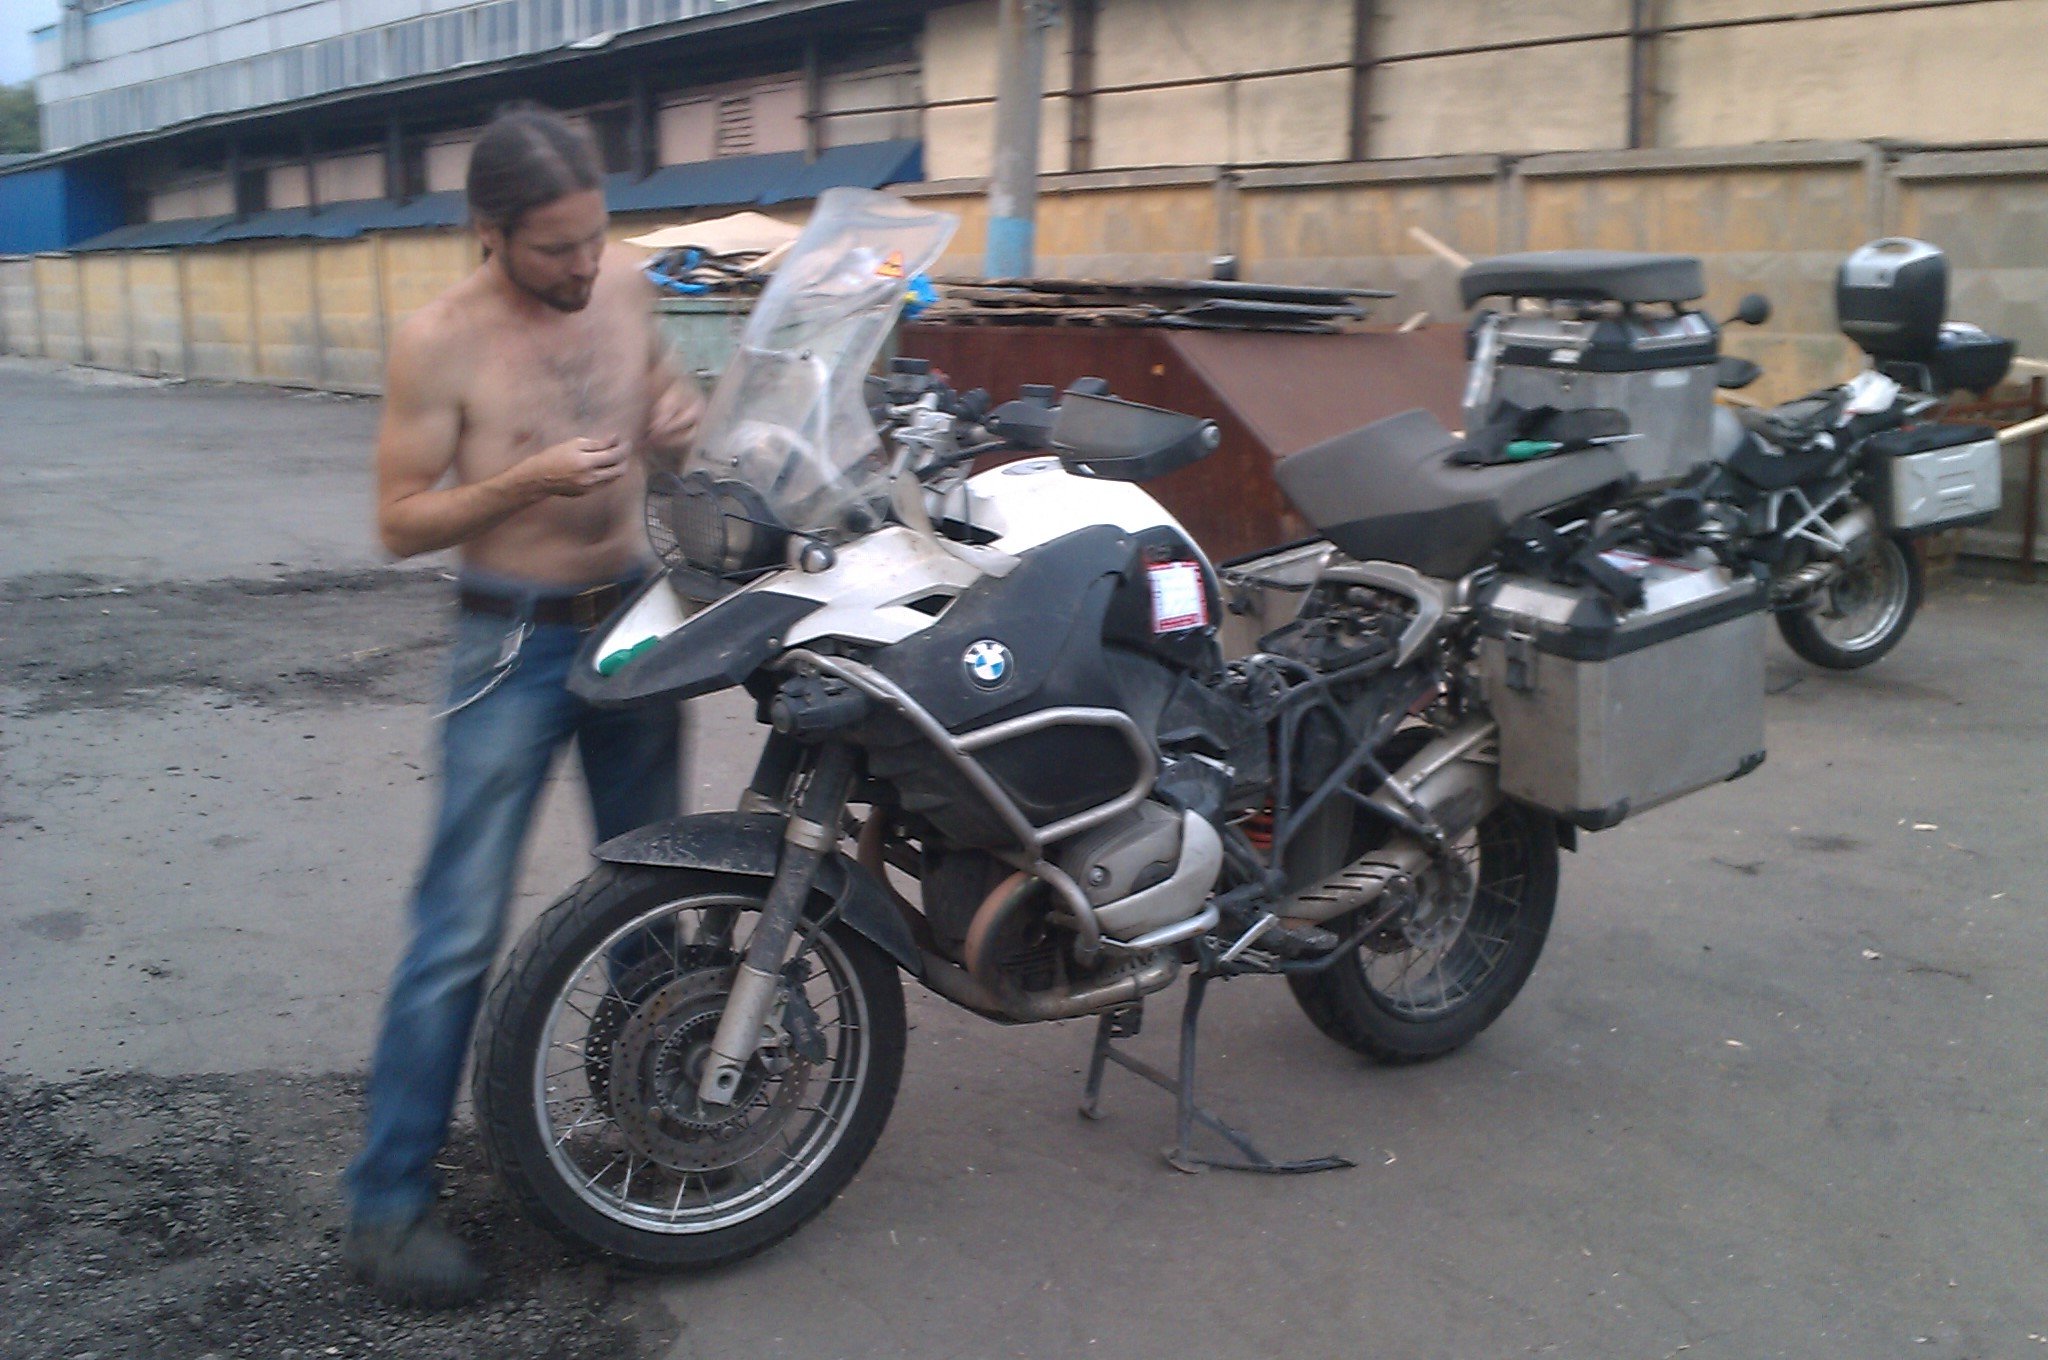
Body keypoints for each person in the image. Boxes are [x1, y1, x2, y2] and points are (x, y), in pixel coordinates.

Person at [342, 104, 702, 1306]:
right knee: (456, 930)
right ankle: (386, 1205)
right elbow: (399, 522)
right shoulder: (437, 340)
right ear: (487, 231)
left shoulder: (627, 283)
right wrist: (523, 479)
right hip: (511, 643)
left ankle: (660, 1127)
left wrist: (679, 426)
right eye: (556, 248)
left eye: (595, 235)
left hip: (635, 624)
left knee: (657, 892)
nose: (584, 264)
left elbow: (670, 407)